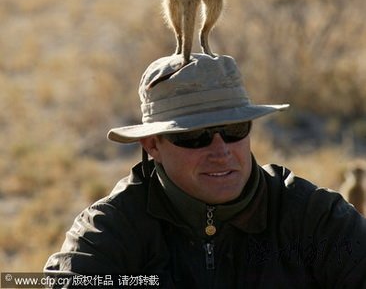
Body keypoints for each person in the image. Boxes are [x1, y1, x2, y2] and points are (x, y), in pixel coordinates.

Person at [44, 54, 366, 288]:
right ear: (152, 146)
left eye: (234, 129)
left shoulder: (311, 216)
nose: (221, 151)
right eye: (193, 136)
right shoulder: (113, 228)